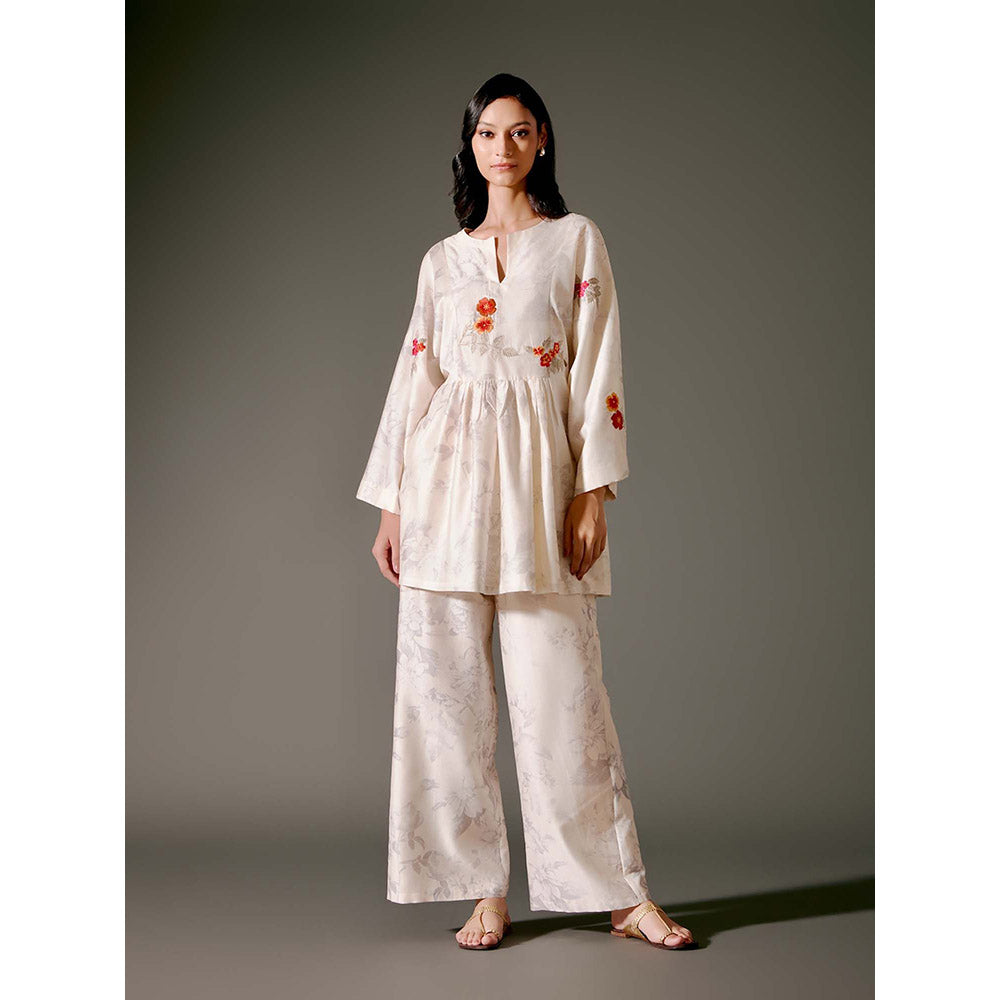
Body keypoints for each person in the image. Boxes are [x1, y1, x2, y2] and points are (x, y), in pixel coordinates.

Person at [356, 73, 696, 953]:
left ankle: (620, 895)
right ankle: (482, 890)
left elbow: (597, 365)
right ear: (469, 146)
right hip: (441, 487)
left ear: (542, 139)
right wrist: (392, 505)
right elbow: (416, 377)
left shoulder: (576, 241)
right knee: (444, 695)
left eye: (517, 132)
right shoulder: (442, 261)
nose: (500, 148)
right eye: (485, 134)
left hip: (540, 485)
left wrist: (593, 490)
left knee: (563, 692)